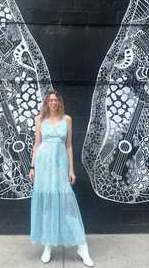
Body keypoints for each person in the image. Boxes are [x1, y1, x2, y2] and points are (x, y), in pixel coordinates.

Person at [29, 89, 94, 266]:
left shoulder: (67, 120)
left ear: (60, 102)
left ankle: (82, 247)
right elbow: (36, 144)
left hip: (60, 166)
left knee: (67, 204)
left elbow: (69, 146)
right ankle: (48, 246)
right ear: (46, 103)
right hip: (43, 166)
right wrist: (32, 166)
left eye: (56, 100)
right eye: (50, 100)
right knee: (48, 204)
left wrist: (71, 170)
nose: (54, 102)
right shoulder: (39, 120)